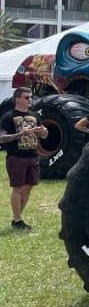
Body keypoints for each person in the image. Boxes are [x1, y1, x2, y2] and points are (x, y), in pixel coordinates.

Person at [0, 87, 48, 230]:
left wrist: (44, 132)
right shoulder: (8, 117)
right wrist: (20, 134)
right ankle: (17, 219)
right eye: (26, 97)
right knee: (17, 188)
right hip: (16, 157)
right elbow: (2, 138)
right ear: (17, 99)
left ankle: (17, 219)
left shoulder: (34, 115)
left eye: (31, 97)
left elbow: (44, 135)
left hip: (33, 156)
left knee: (28, 188)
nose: (30, 100)